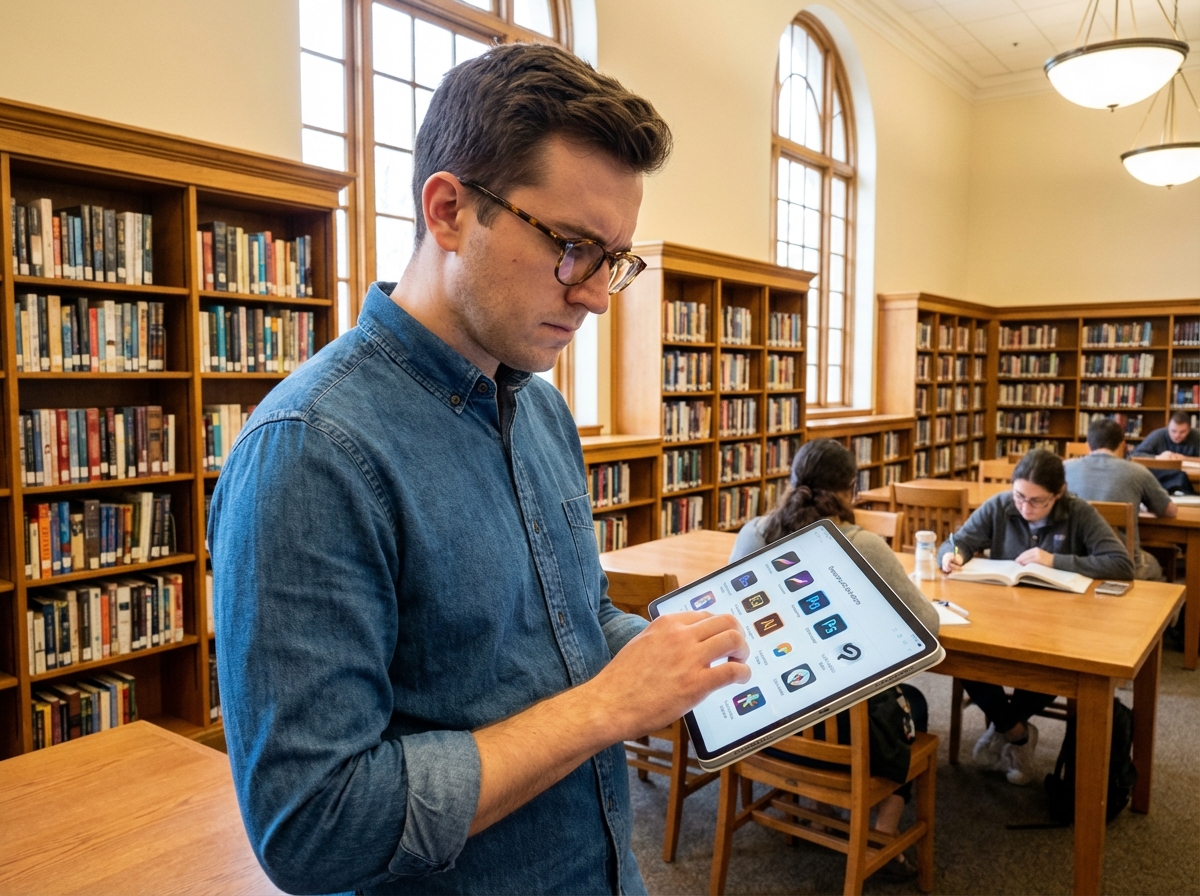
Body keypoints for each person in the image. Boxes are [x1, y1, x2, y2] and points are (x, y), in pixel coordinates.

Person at [208, 44, 752, 896]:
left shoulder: (538, 406)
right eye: (572, 246)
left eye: (615, 258)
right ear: (450, 209)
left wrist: (676, 662)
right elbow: (313, 827)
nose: (598, 295)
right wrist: (610, 708)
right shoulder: (310, 451)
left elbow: (570, 624)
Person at [731, 439, 939, 879]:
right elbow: (927, 627)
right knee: (915, 705)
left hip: (768, 721)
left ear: (791, 481)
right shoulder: (863, 543)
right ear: (853, 489)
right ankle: (880, 838)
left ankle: (810, 804)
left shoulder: (753, 533)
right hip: (843, 736)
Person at [937, 448, 1134, 785]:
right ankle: (1017, 733)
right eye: (1019, 496)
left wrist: (1055, 560)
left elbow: (1121, 563)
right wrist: (951, 556)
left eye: (1036, 501)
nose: (1025, 507)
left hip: (1061, 623)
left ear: (1058, 494)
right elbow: (958, 542)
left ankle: (1004, 728)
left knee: (1057, 665)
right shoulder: (1001, 505)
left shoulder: (1078, 512)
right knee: (959, 649)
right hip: (1002, 614)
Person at [1065, 417, 1178, 580]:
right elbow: (1169, 511)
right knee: (1154, 563)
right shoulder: (1138, 471)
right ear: (1122, 445)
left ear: (1088, 444)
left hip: (1075, 561)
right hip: (1123, 564)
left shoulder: (1064, 468)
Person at [1131, 411, 1200, 495]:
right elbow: (1133, 456)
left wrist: (1186, 459)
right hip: (1160, 479)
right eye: (1173, 431)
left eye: (1182, 432)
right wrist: (1158, 458)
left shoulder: (1197, 436)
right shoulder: (1157, 435)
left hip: (1192, 479)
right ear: (1168, 428)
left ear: (1189, 430)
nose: (1177, 435)